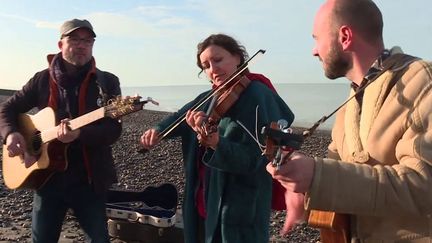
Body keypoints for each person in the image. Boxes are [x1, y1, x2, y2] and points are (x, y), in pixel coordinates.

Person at [267, 0, 432, 242]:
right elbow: (340, 168)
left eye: (316, 38)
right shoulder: (351, 102)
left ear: (344, 36)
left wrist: (317, 176)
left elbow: (424, 186)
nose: (314, 50)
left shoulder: (422, 83)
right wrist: (303, 189)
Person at [140, 33, 295, 243]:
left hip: (239, 207)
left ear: (238, 58)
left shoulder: (259, 95)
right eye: (206, 65)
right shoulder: (211, 96)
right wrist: (157, 131)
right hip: (204, 200)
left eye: (218, 60)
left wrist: (217, 143)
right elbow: (178, 117)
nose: (212, 69)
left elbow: (257, 159)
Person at [0, 19, 122, 243]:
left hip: (90, 180)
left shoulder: (106, 82)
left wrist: (80, 135)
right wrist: (11, 134)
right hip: (47, 180)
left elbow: (113, 130)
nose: (82, 45)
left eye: (87, 40)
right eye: (74, 39)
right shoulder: (41, 80)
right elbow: (7, 109)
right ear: (60, 44)